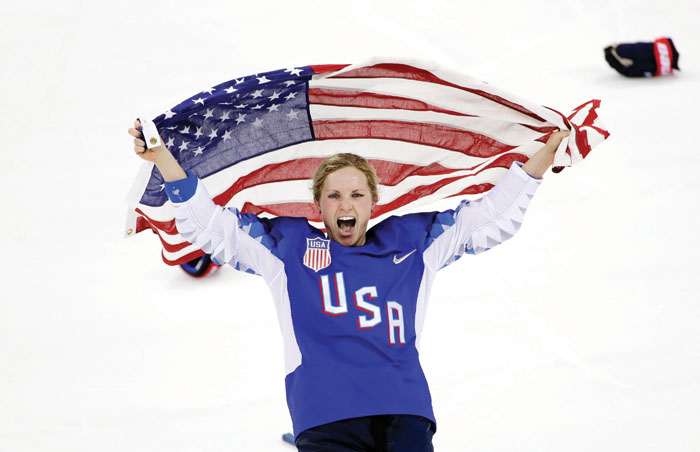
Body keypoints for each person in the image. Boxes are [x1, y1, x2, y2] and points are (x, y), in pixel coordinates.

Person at [128, 120, 569, 451]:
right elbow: (211, 228)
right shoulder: (287, 248)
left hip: (404, 412)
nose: (346, 204)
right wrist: (163, 159)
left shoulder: (413, 242)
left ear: (373, 202)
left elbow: (488, 219)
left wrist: (543, 157)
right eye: (334, 196)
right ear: (317, 205)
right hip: (326, 417)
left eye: (357, 195)